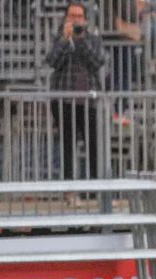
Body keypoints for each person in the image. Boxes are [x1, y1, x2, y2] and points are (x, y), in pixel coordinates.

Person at [45, 2, 107, 180]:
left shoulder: (93, 39)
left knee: (93, 145)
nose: (75, 20)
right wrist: (66, 40)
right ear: (66, 18)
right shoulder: (59, 37)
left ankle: (95, 189)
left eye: (79, 16)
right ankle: (69, 191)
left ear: (85, 20)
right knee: (67, 146)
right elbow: (52, 61)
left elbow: (96, 62)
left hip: (89, 101)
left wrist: (80, 41)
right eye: (72, 16)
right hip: (64, 100)